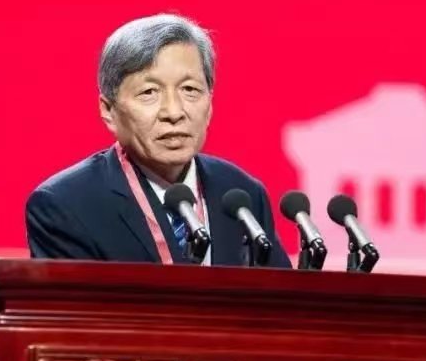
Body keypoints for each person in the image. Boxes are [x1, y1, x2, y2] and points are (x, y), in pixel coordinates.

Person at [26, 13, 291, 268]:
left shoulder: (242, 193)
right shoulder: (66, 204)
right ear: (108, 110)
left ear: (210, 103)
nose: (173, 112)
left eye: (190, 89)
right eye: (149, 92)